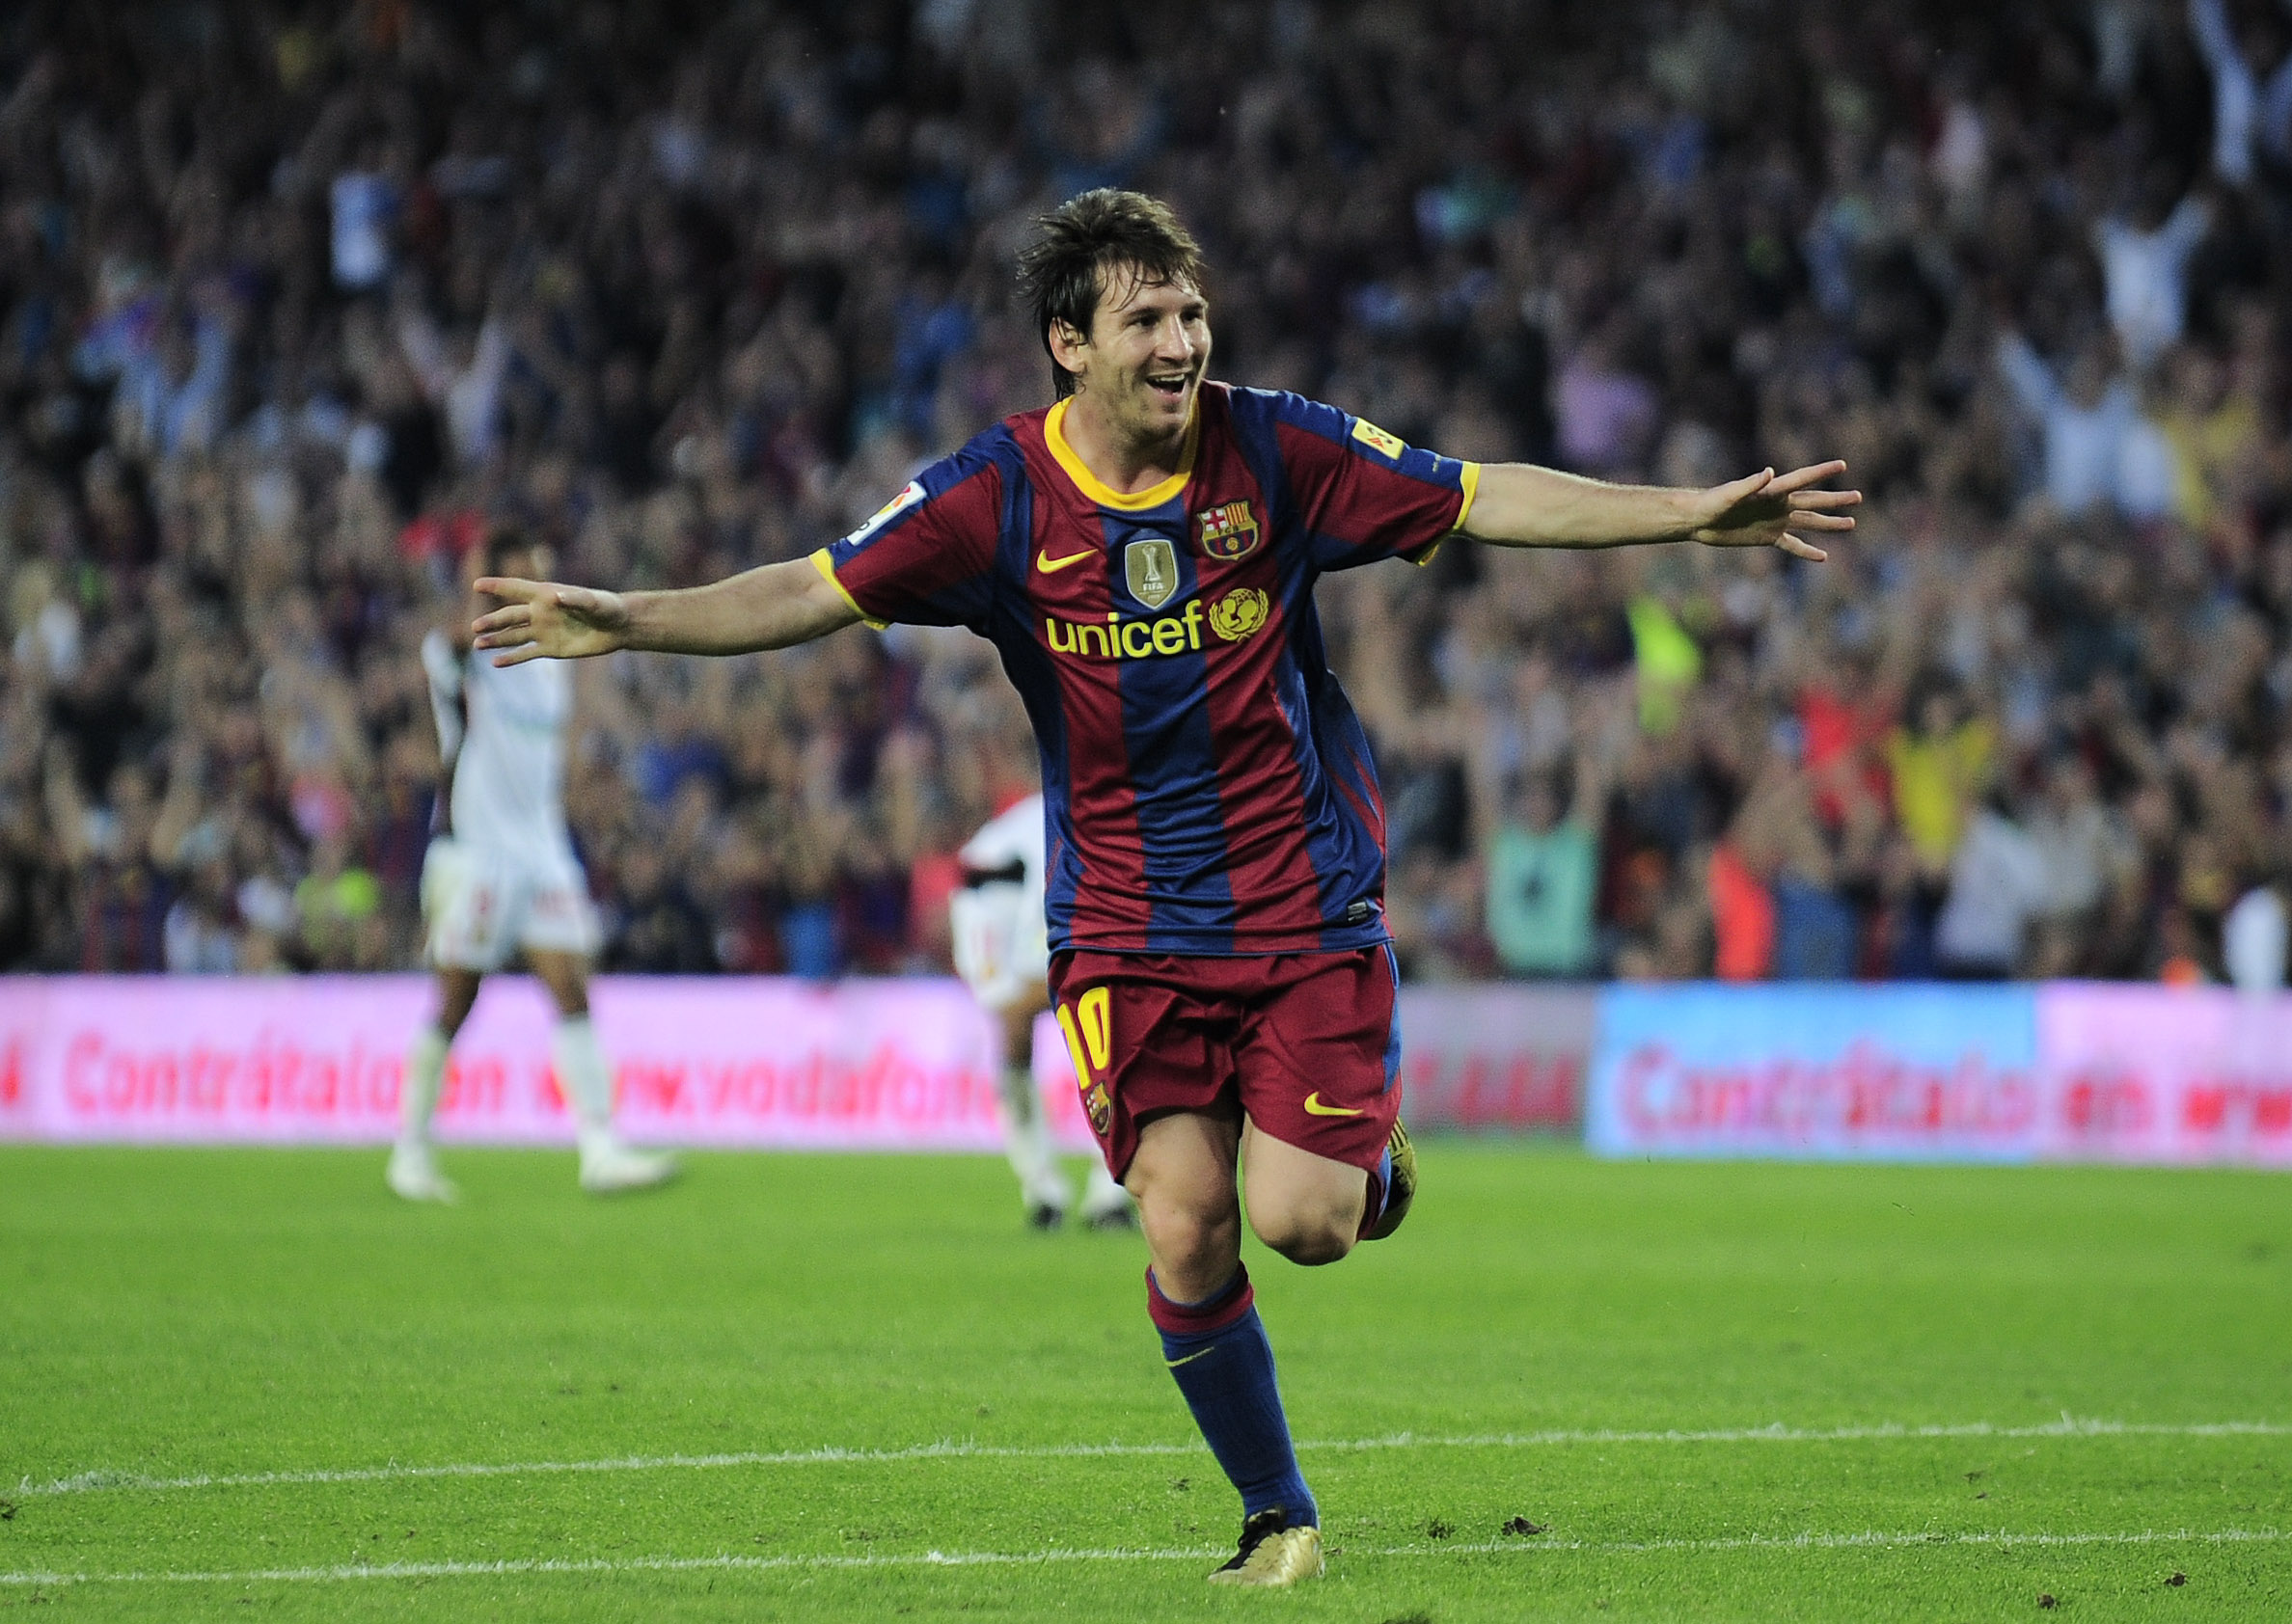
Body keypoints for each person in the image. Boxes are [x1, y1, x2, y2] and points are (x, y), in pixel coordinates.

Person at [469, 190, 1856, 1585]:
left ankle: (1371, 1163)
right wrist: (631, 620)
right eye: (1148, 318)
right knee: (1185, 1223)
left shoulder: (1278, 448)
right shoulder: (993, 498)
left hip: (1302, 902)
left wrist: (1689, 518)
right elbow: (814, 588)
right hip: (1125, 928)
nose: (1184, 339)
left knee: (1303, 1224)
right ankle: (1277, 1515)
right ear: (1070, 344)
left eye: (1191, 312)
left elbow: (1484, 495)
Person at [388, 528, 677, 1204]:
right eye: (514, 579)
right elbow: (452, 643)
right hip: (481, 851)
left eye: (537, 575)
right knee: (457, 1000)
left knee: (571, 990)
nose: (531, 592)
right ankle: (410, 1150)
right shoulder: (470, 651)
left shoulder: (554, 660)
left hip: (543, 848)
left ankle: (601, 1149)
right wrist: (476, 589)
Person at [951, 789, 1137, 1230]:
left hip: (1043, 885)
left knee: (1108, 1033)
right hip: (1007, 897)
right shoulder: (1049, 840)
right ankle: (1043, 1189)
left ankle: (1107, 1193)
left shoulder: (1085, 830)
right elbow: (1026, 990)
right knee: (1021, 1030)